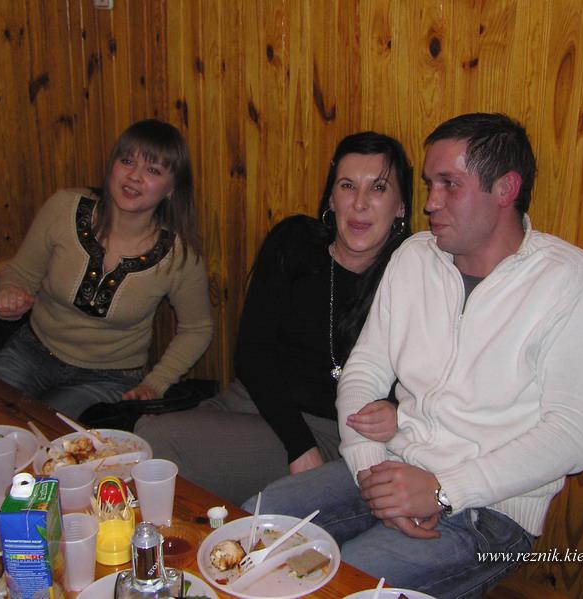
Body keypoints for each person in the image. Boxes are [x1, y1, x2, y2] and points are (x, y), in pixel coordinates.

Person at [246, 113, 583, 597]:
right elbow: (364, 369)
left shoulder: (566, 280)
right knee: (252, 525)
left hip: (491, 510)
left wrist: (443, 491)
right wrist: (370, 467)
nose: (430, 202)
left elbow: (570, 436)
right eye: (428, 183)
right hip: (390, 464)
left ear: (505, 189)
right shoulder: (416, 255)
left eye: (449, 184)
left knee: (338, 585)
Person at [135, 131, 413, 505]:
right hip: (254, 402)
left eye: (378, 188)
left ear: (401, 206)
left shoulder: (412, 276)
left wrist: (398, 414)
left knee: (156, 444)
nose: (360, 203)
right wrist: (298, 446)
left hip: (330, 430)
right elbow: (252, 353)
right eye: (347, 186)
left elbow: (429, 382)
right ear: (332, 198)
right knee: (139, 442)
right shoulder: (295, 241)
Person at [0, 119, 213, 419]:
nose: (134, 176)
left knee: (50, 433)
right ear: (112, 167)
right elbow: (21, 273)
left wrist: (156, 383)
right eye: (127, 161)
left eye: (153, 170)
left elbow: (197, 329)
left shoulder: (179, 256)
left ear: (172, 189)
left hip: (108, 378)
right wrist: (9, 294)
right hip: (31, 352)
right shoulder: (64, 207)